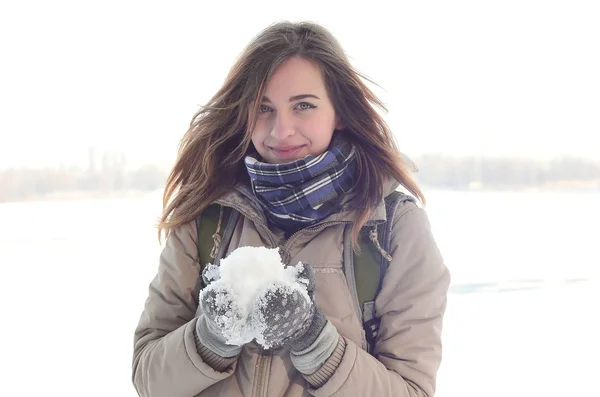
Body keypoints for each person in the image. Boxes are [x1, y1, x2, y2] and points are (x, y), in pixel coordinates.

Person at [132, 21, 450, 397]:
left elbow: (413, 390)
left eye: (303, 106)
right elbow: (149, 379)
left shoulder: (393, 227)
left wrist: (316, 342)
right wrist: (211, 338)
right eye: (263, 108)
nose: (281, 130)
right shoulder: (207, 215)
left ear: (341, 111)